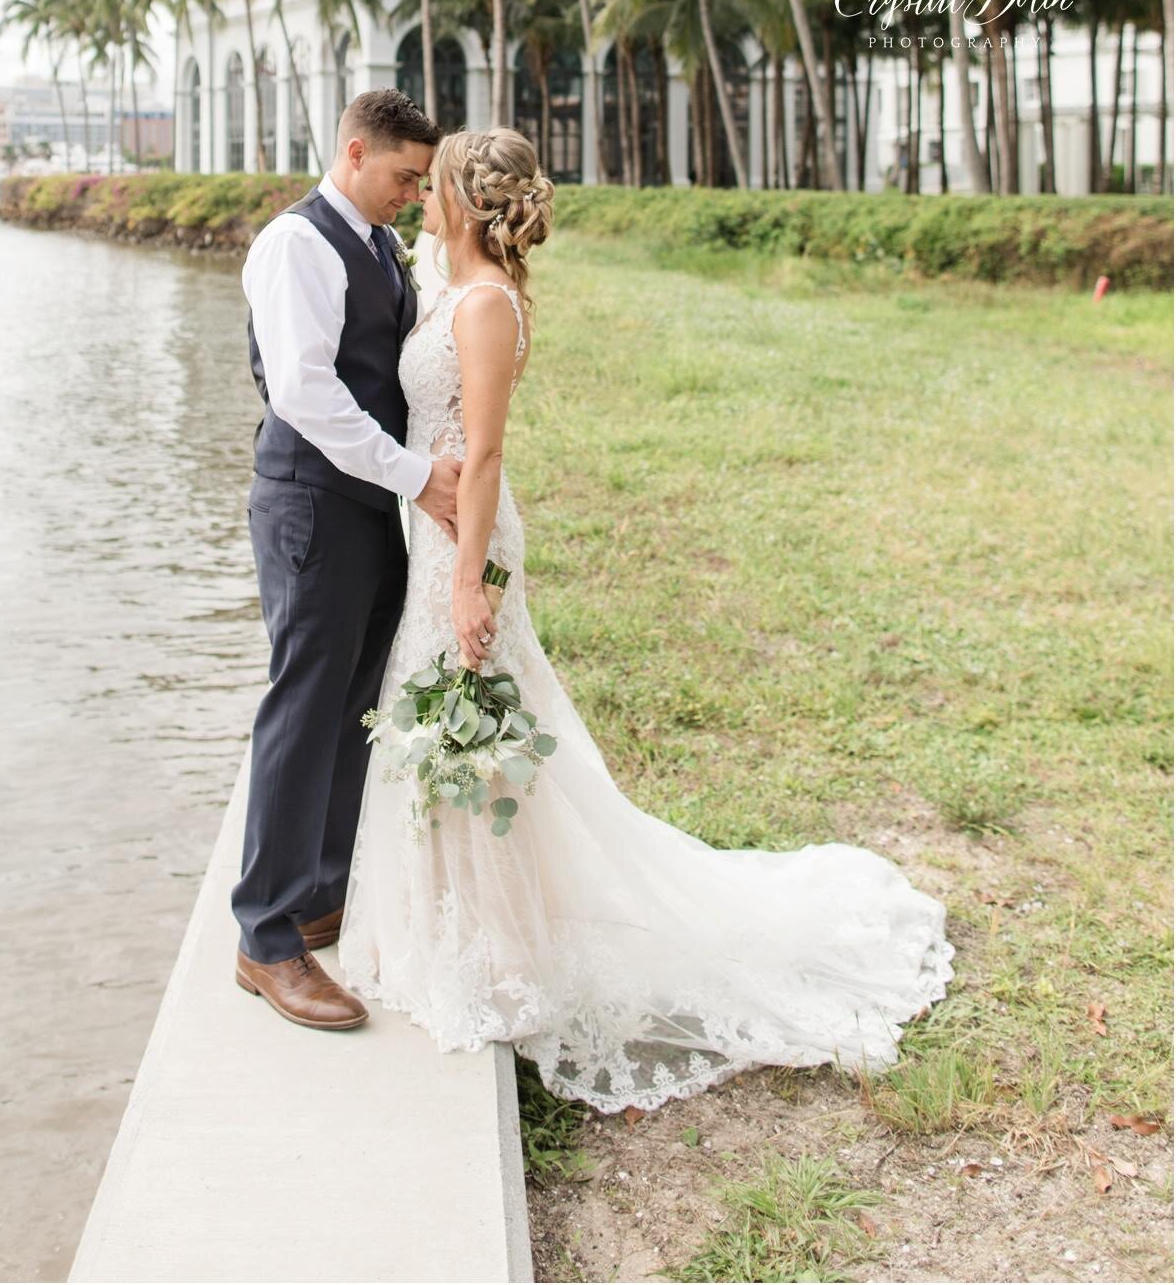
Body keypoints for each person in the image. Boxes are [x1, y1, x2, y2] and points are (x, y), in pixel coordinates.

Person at [337, 126, 956, 1111]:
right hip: (431, 538)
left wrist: (466, 582)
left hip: (470, 546)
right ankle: (462, 931)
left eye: (431, 183)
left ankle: (502, 954)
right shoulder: (449, 282)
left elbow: (486, 455)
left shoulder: (488, 303)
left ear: (463, 198)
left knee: (479, 738)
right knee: (444, 734)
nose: (417, 195)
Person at [232, 87, 460, 1030]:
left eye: (422, 180)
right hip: (314, 504)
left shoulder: (376, 242)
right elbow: (305, 392)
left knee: (355, 703)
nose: (413, 194)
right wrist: (416, 477)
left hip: (369, 504)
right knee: (304, 704)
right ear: (357, 153)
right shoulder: (297, 244)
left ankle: (323, 888)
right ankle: (267, 937)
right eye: (404, 176)